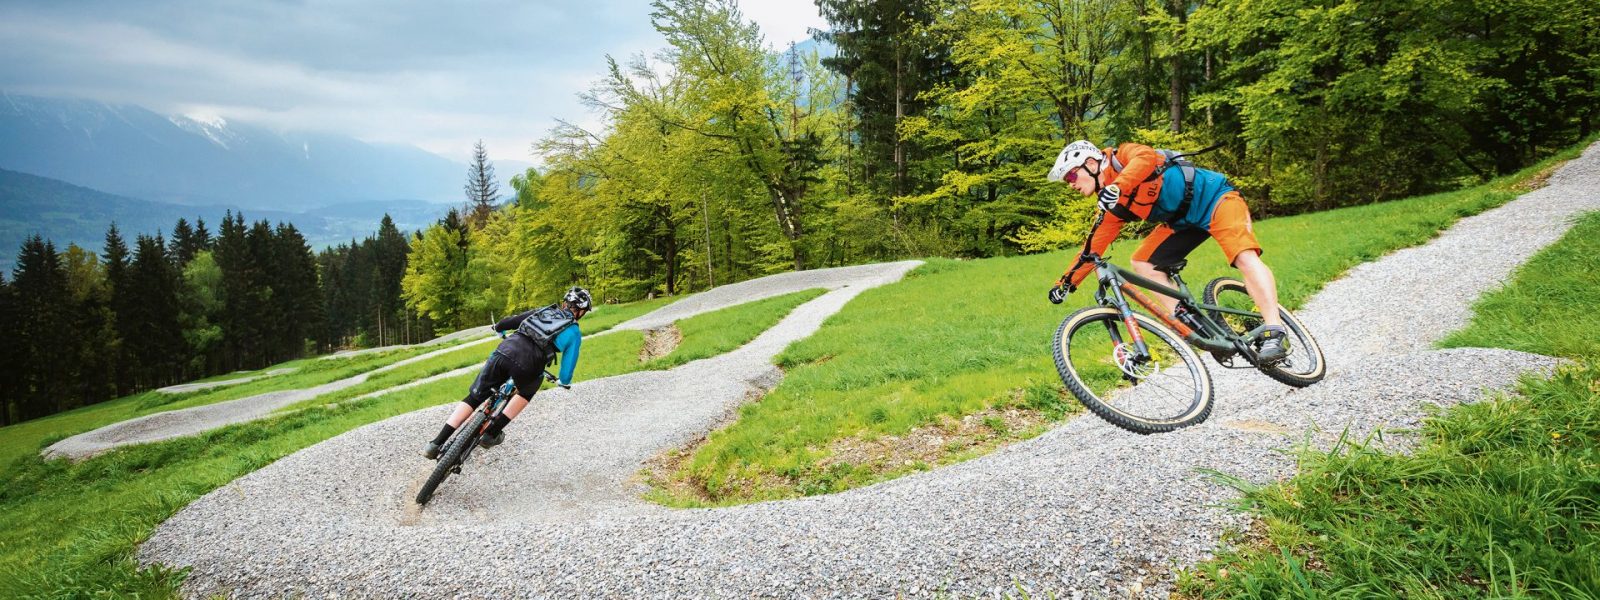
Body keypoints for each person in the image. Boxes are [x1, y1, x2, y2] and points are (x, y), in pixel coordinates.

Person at [1045, 140, 1288, 363]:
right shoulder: (1112, 204)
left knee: (1244, 256)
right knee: (1142, 263)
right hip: (1181, 223)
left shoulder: (1124, 156)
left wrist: (1118, 186)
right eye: (1068, 181)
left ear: (1090, 163)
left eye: (1071, 176)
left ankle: (1274, 330)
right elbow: (1092, 249)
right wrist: (1066, 283)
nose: (1072, 184)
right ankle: (1190, 323)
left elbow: (1146, 157)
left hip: (1217, 199)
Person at [423, 286, 591, 459]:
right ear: (581, 312)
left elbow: (511, 321)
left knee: (474, 397)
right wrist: (564, 381)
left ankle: (435, 443)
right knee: (526, 391)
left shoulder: (545, 311)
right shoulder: (574, 332)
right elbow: (567, 370)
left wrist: (499, 328)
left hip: (505, 351)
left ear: (565, 303)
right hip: (530, 366)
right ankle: (491, 434)